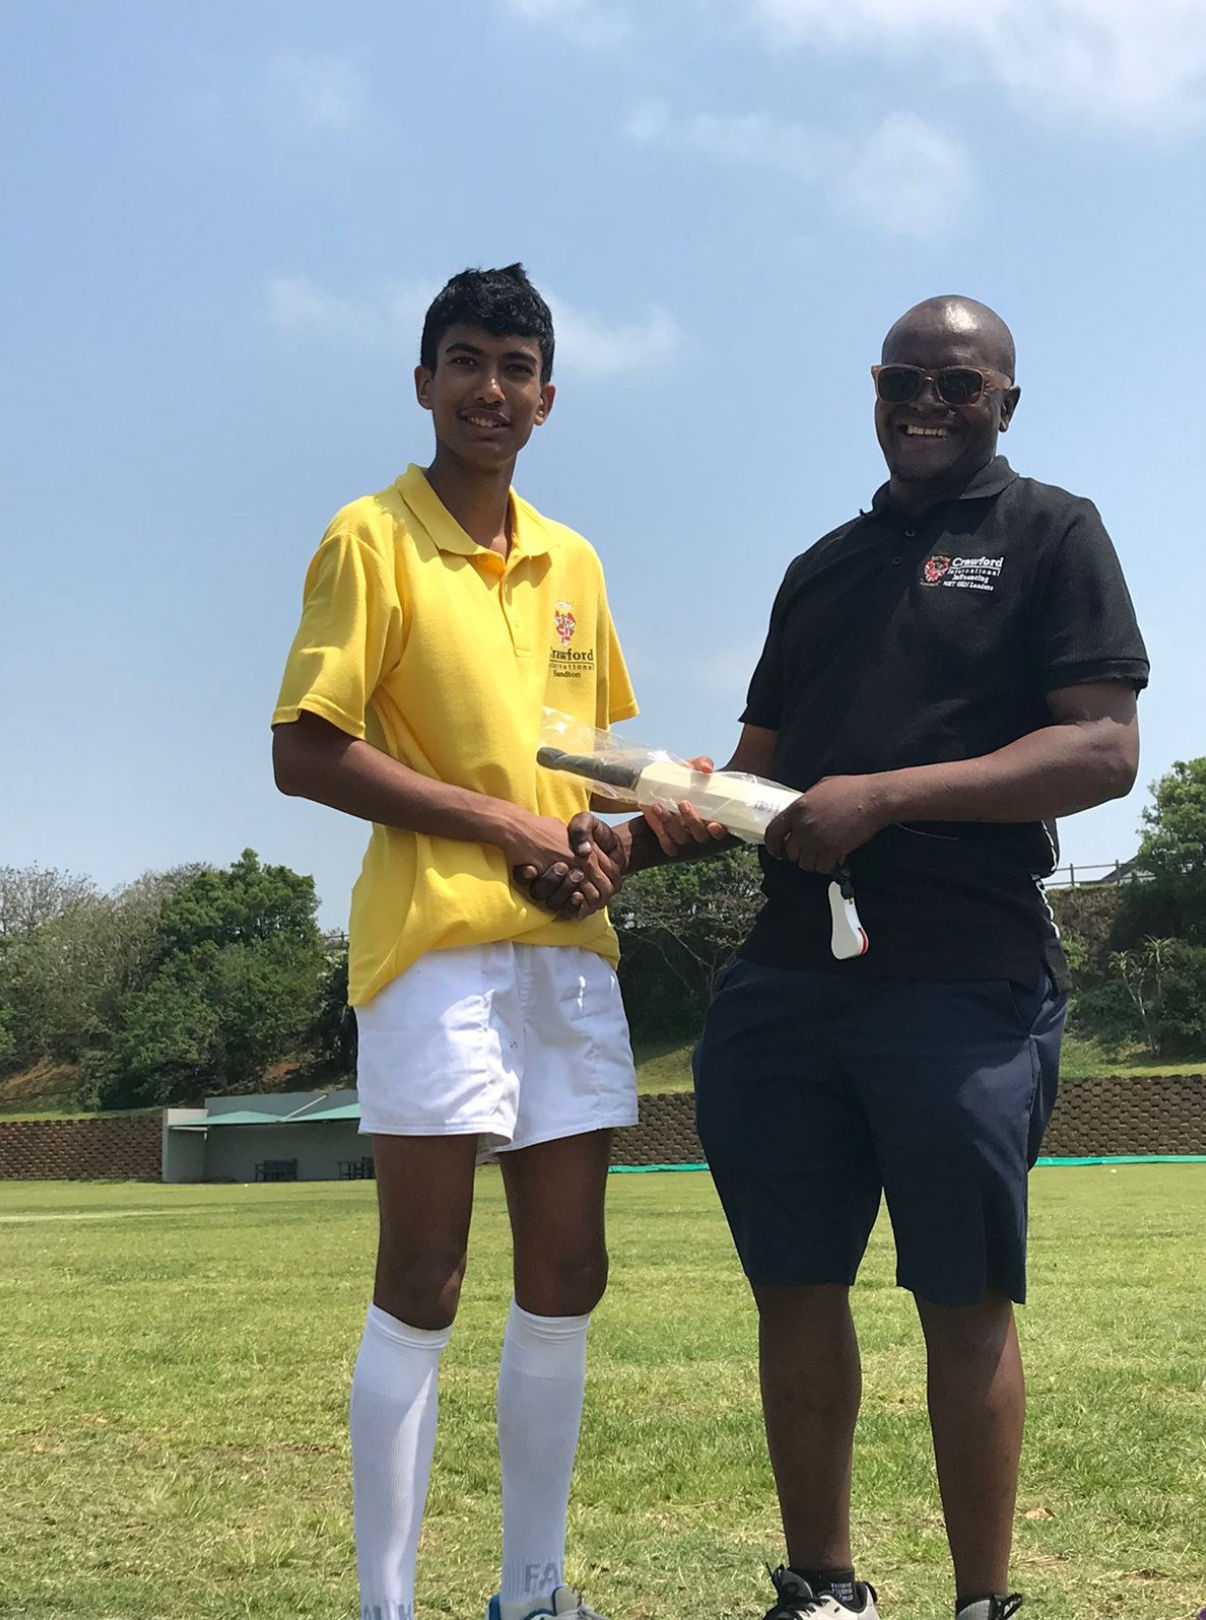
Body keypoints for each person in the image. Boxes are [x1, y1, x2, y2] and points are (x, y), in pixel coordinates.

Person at [526, 296, 1149, 1620]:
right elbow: (753, 780)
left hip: (963, 978)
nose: (924, 401)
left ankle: (982, 1603)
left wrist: (886, 795)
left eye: (957, 384)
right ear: (871, 391)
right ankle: (822, 1590)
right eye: (899, 379)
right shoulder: (819, 567)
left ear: (1003, 405)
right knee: (794, 1286)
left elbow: (1101, 747)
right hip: (789, 984)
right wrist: (625, 842)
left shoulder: (1049, 532)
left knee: (960, 1294)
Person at [271, 264, 640, 1620]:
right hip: (432, 949)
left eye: (516, 368)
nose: (492, 389)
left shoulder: (574, 560)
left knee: (565, 1275)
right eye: (467, 361)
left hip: (568, 955)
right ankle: (387, 1603)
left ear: (549, 398)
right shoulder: (367, 537)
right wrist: (504, 824)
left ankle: (532, 1591)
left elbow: (591, 768)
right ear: (423, 381)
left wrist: (631, 821)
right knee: (422, 1279)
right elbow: (304, 752)